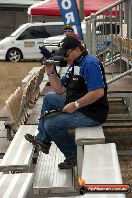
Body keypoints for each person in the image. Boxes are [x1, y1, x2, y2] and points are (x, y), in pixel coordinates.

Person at [25, 36, 109, 169]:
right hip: (80, 106)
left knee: (52, 124)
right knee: (49, 98)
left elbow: (98, 92)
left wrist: (76, 105)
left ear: (76, 50)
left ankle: (72, 155)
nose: (64, 58)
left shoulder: (90, 63)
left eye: (66, 54)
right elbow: (60, 90)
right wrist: (50, 72)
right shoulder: (75, 64)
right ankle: (43, 140)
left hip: (92, 113)